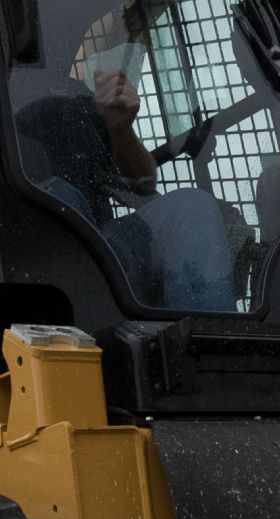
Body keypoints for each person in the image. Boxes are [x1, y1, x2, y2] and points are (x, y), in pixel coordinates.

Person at [15, 15, 235, 312]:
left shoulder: (82, 101)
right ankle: (81, 317)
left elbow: (143, 183)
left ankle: (209, 342)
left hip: (105, 248)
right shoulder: (11, 92)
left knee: (193, 207)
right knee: (59, 197)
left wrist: (119, 127)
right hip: (29, 253)